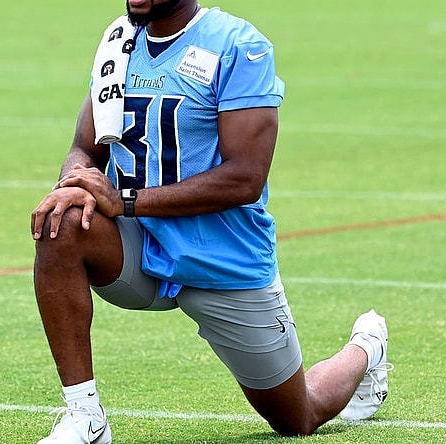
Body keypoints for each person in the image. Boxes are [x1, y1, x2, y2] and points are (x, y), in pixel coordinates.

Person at [30, 1, 392, 443]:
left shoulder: (239, 46)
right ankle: (85, 416)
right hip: (138, 248)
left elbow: (245, 177)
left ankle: (366, 348)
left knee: (297, 417)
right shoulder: (120, 41)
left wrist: (124, 200)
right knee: (62, 221)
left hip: (222, 256)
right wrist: (73, 181)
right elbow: (85, 147)